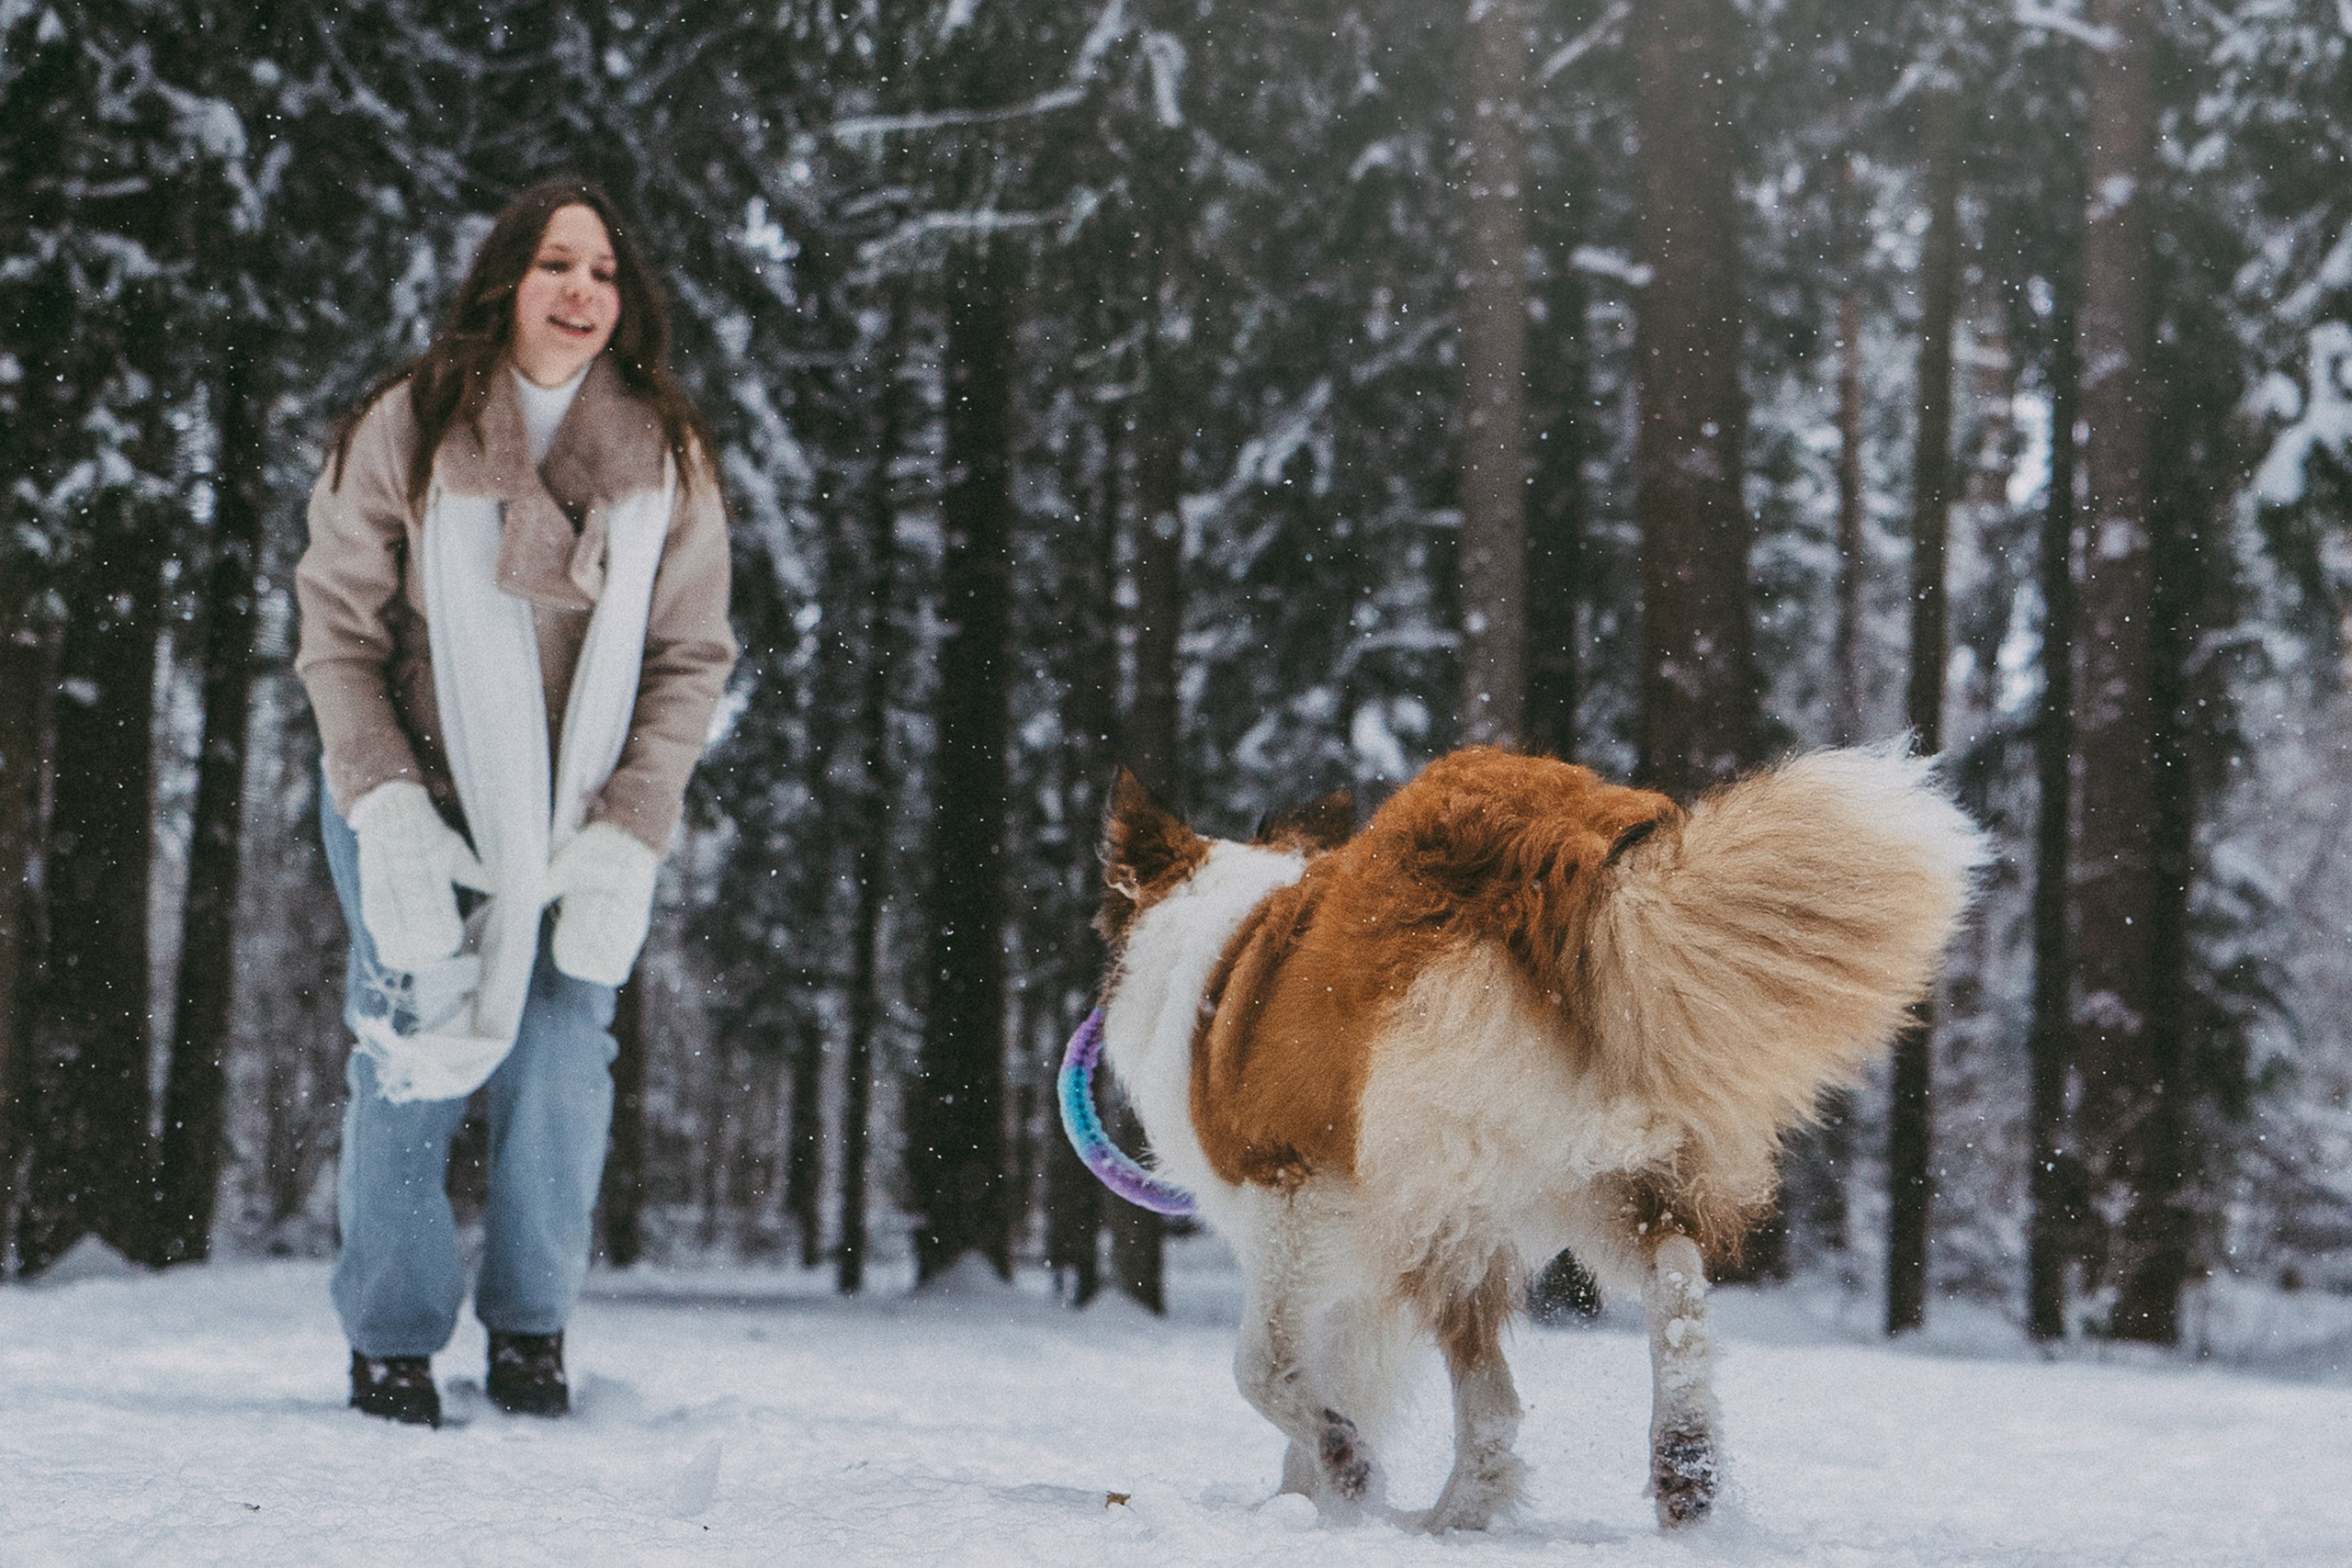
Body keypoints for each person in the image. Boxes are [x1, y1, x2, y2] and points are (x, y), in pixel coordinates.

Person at [296, 178, 735, 1427]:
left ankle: (532, 1329)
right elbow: (338, 636)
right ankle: (390, 1339)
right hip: (409, 800)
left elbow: (691, 657)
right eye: (554, 264)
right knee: (412, 1050)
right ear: (507, 281)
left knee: (559, 1063)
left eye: (601, 271)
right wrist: (387, 809)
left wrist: (632, 827)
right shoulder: (410, 424)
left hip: (584, 828)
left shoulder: (666, 457)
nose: (580, 290)